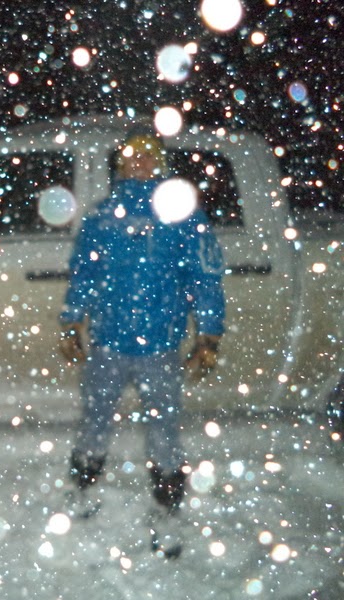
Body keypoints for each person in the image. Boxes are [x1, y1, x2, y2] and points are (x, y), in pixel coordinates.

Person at [58, 131, 225, 538]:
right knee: (95, 419)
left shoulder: (183, 216)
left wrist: (209, 334)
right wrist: (71, 319)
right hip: (107, 342)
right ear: (121, 163)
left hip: (161, 344)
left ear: (160, 162)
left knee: (163, 428)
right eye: (132, 156)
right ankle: (81, 489)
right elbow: (85, 272)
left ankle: (168, 510)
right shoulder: (101, 216)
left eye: (149, 156)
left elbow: (204, 278)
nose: (140, 163)